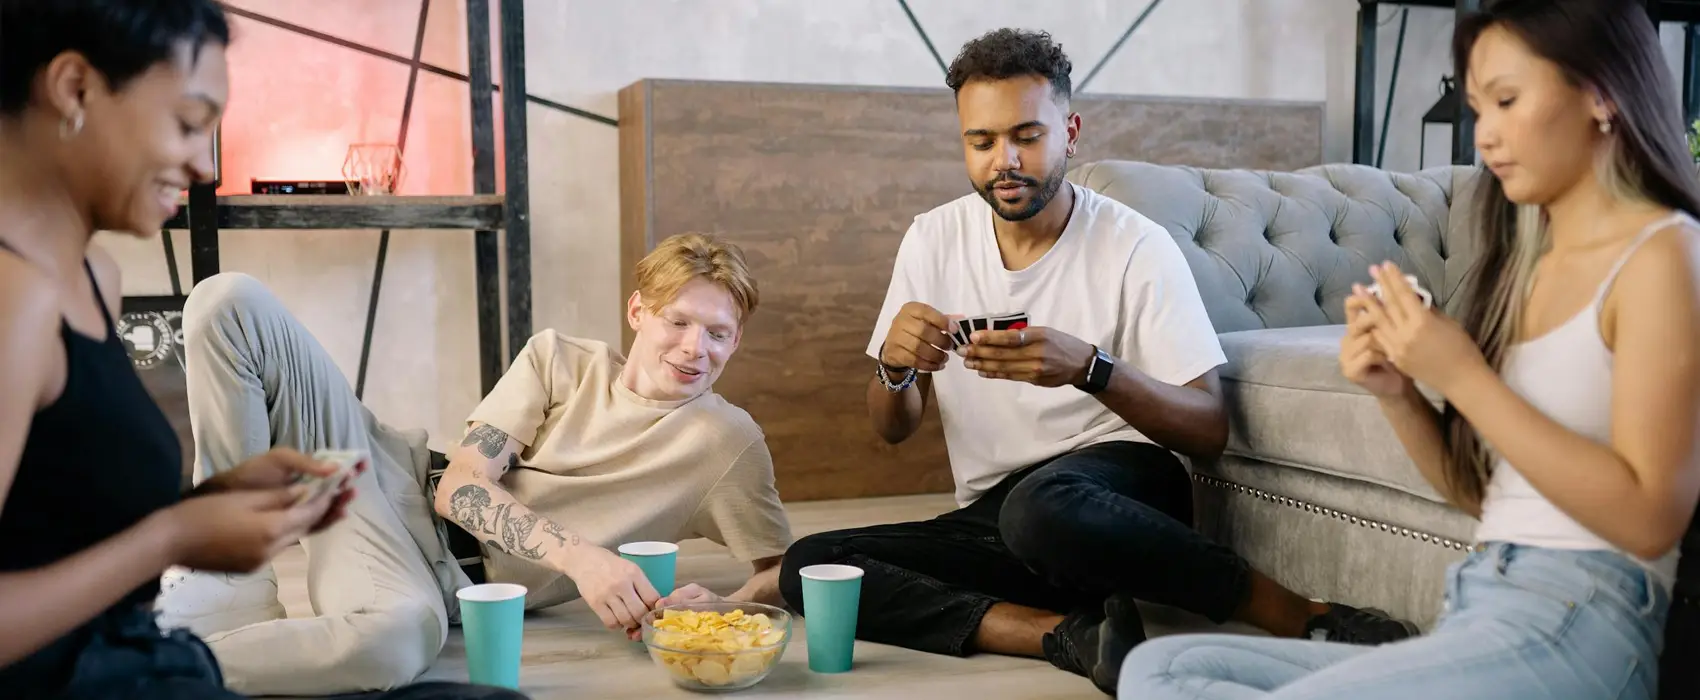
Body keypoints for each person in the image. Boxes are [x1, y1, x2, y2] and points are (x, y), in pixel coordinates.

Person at [773, 27, 1418, 696]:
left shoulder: (1134, 244)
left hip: (1113, 492)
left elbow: (1208, 428)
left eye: (1027, 135)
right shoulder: (933, 239)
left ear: (1070, 130)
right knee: (813, 565)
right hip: (998, 518)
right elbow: (893, 427)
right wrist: (897, 369)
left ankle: (1302, 615)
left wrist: (1092, 369)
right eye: (983, 141)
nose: (1005, 161)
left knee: (1043, 509)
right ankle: (1065, 636)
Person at [1116, 1, 1700, 698]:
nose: (1485, 138)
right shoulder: (1533, 265)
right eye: (1479, 110)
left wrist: (1462, 373)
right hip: (1482, 606)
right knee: (1162, 668)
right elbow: (1485, 495)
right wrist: (1397, 390)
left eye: (1508, 101)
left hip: (1583, 622)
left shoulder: (1665, 254)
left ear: (1602, 93)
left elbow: (1649, 515)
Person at [0, 1, 528, 699]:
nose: (202, 163)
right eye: (188, 123)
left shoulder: (92, 277)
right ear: (74, 88)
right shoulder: (15, 298)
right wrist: (171, 539)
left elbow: (55, 515)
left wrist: (223, 501)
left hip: (140, 665)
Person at [155, 231, 794, 695]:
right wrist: (581, 556)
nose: (694, 349)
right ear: (638, 312)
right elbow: (459, 486)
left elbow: (781, 568)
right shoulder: (559, 360)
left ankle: (137, 669)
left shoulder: (724, 441)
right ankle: (230, 580)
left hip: (428, 576)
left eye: (718, 333)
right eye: (677, 321)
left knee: (394, 642)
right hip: (379, 469)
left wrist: (722, 602)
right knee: (227, 300)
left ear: (736, 339)